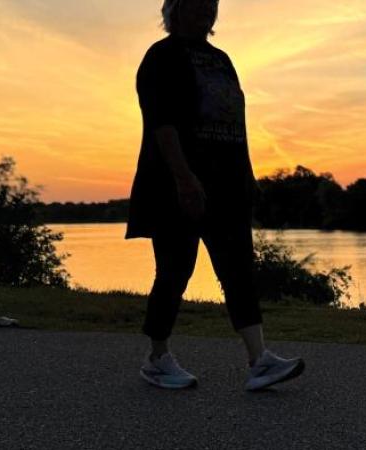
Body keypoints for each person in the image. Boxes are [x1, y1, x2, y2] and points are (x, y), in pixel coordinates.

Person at [124, 0, 304, 391]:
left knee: (239, 270)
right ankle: (157, 357)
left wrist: (247, 175)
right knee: (175, 271)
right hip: (179, 186)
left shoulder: (221, 59)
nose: (206, 9)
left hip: (227, 184)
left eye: (212, 3)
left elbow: (233, 121)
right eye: (197, 2)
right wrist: (184, 178)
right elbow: (162, 124)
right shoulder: (161, 57)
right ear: (174, 9)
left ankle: (259, 361)